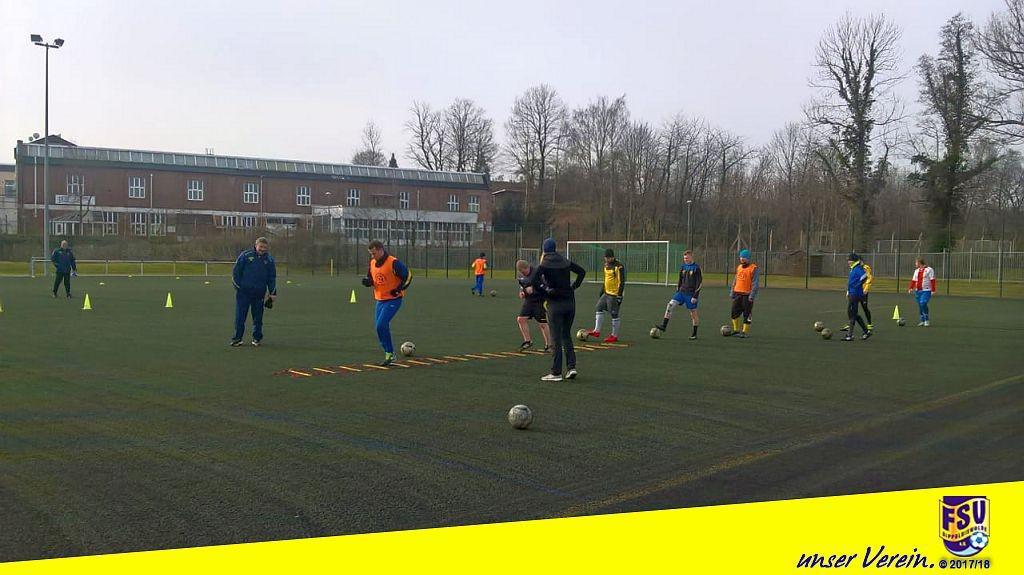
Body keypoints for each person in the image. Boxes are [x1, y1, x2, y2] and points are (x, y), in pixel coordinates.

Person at [526, 238, 586, 382]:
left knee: (555, 338)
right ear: (555, 248)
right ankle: (571, 367)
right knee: (566, 335)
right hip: (570, 303)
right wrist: (574, 286)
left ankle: (556, 372)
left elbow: (533, 280)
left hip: (555, 304)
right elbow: (581, 272)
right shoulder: (565, 261)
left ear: (544, 250)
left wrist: (545, 290)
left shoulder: (544, 264)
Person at [362, 239, 412, 366]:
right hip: (380, 300)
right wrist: (367, 281)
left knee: (381, 325)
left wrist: (398, 289)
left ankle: (390, 354)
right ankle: (389, 352)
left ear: (381, 250)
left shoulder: (393, 262)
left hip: (394, 299)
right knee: (379, 327)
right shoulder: (372, 263)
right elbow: (371, 278)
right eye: (371, 254)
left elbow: (408, 276)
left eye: (374, 253)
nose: (372, 256)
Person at [231, 237, 277, 347]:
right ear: (256, 245)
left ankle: (256, 338)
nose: (262, 249)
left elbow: (272, 277)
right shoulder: (246, 255)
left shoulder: (269, 260)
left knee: (258, 318)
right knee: (240, 317)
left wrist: (273, 293)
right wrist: (239, 287)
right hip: (244, 293)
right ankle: (237, 339)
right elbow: (236, 272)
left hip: (259, 293)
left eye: (265, 247)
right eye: (261, 246)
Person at [654, 250, 702, 340]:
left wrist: (695, 296)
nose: (685, 260)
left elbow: (699, 283)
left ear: (691, 257)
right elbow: (680, 280)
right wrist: (678, 290)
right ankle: (664, 326)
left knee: (693, 313)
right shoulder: (683, 267)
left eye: (687, 258)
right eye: (684, 258)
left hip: (691, 294)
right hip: (681, 292)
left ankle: (694, 334)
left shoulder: (696, 268)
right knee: (670, 305)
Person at [587, 248, 626, 343]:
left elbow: (621, 281)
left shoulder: (619, 266)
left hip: (614, 294)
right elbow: (606, 279)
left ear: (613, 257)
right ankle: (597, 331)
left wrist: (619, 296)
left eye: (609, 258)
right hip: (606, 293)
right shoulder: (606, 265)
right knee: (599, 307)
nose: (607, 259)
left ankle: (614, 336)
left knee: (614, 314)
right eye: (606, 258)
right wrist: (602, 290)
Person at [515, 259, 552, 352]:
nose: (522, 274)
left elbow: (545, 287)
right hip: (529, 301)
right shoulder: (521, 275)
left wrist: (534, 290)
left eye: (523, 272)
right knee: (521, 319)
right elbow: (522, 285)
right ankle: (528, 341)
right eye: (521, 272)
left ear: (526, 268)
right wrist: (522, 292)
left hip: (539, 300)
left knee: (542, 324)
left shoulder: (537, 273)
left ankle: (549, 345)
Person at [729, 249, 759, 338]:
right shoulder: (739, 267)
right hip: (737, 294)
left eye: (744, 257)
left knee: (747, 313)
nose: (742, 259)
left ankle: (744, 332)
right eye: (741, 257)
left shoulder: (753, 268)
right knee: (734, 312)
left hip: (747, 295)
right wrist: (732, 291)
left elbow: (755, 283)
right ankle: (736, 330)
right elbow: (735, 280)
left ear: (748, 258)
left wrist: (752, 295)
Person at [844, 253, 872, 341]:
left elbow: (865, 276)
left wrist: (858, 285)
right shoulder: (853, 269)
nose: (848, 262)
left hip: (855, 294)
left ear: (853, 261)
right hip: (852, 293)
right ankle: (866, 331)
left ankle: (850, 335)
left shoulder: (857, 268)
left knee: (852, 313)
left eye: (849, 260)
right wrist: (848, 291)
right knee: (853, 313)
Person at [908, 258, 936, 327]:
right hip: (918, 291)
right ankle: (922, 320)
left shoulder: (929, 270)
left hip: (926, 290)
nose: (915, 264)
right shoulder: (916, 271)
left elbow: (932, 280)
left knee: (923, 303)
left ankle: (927, 320)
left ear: (919, 263)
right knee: (920, 305)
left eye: (916, 262)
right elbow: (914, 280)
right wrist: (911, 288)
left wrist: (933, 290)